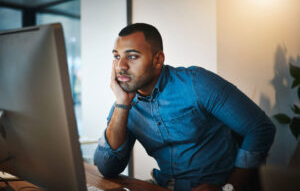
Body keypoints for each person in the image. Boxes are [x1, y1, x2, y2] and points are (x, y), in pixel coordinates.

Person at [93, 23, 276, 191]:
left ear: (158, 60)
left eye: (132, 56)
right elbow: (106, 167)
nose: (120, 66)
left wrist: (229, 188)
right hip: (164, 186)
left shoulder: (196, 83)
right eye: (116, 56)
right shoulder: (124, 103)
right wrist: (123, 103)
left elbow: (260, 128)